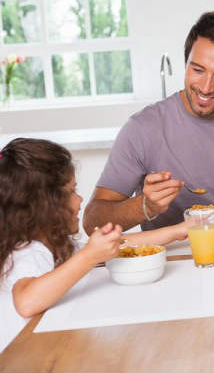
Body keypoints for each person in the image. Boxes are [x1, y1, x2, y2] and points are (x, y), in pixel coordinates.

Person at [83, 11, 214, 235]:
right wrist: (145, 206)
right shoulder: (141, 129)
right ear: (186, 62)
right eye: (197, 70)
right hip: (172, 259)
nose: (206, 88)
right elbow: (92, 223)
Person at [0, 138, 188, 352]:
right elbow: (26, 302)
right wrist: (89, 256)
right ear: (43, 205)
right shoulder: (29, 249)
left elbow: (121, 243)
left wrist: (178, 230)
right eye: (71, 192)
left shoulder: (58, 243)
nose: (80, 199)